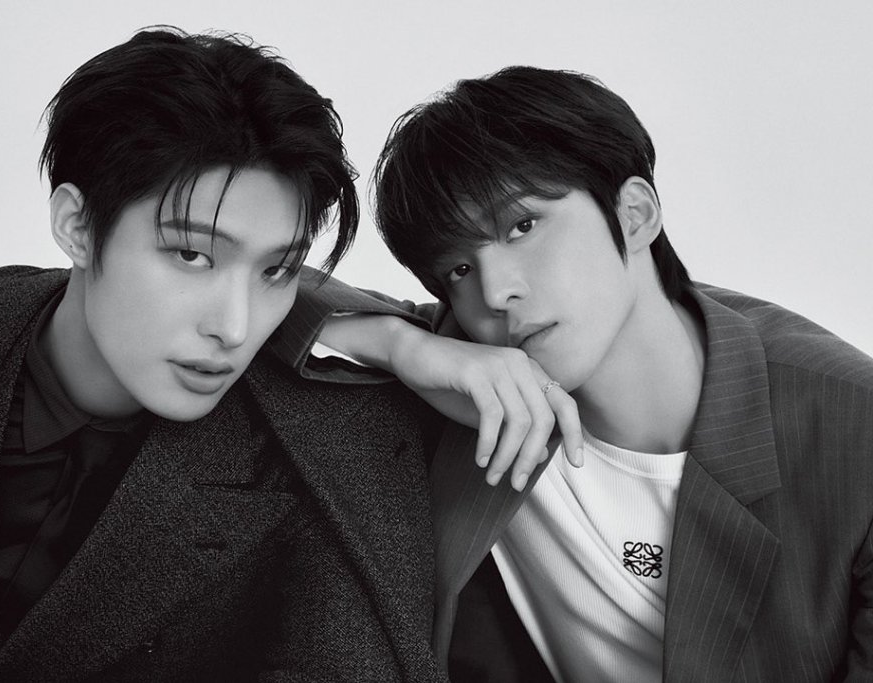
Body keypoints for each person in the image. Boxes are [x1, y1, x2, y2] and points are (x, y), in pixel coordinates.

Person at [0, 27, 446, 682]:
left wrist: (398, 338)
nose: (234, 327)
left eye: (277, 270)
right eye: (191, 254)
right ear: (76, 226)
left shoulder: (333, 452)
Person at [281, 66, 873, 681]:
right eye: (459, 269)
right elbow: (259, 288)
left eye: (522, 226)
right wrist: (398, 344)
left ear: (635, 214)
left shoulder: (852, 433)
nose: (496, 292)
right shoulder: (470, 369)